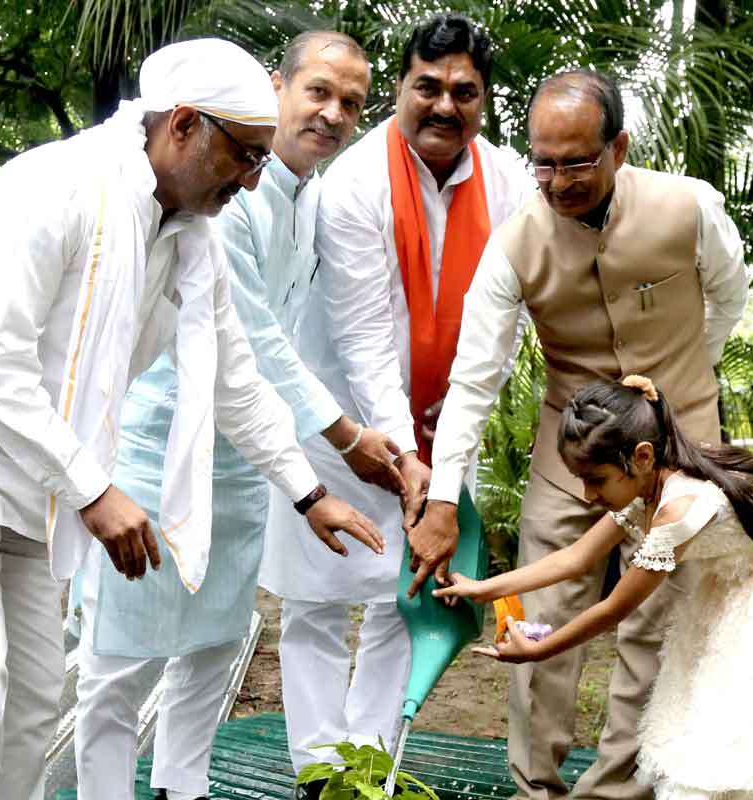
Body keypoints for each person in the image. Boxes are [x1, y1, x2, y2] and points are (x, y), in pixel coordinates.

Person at [0, 38, 383, 800]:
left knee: (29, 706)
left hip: (35, 493)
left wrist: (308, 493)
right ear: (182, 124)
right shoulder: (54, 188)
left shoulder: (191, 235)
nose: (252, 182)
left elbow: (235, 378)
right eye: (244, 157)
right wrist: (93, 488)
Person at [410, 69, 749, 800]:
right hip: (570, 454)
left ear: (618, 147)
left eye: (576, 161)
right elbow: (475, 379)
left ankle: (617, 791)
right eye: (543, 162)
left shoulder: (690, 207)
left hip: (681, 451)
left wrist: (687, 380)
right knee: (539, 622)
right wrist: (442, 500)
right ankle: (536, 787)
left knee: (653, 625)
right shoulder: (512, 246)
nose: (557, 181)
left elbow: (729, 295)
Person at [258, 14, 530, 796]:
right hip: (339, 420)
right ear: (404, 89)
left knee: (400, 595)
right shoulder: (354, 183)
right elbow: (363, 332)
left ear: (483, 100)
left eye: (465, 92)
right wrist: (402, 454)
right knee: (314, 598)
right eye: (428, 87)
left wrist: (443, 448)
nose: (445, 105)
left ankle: (371, 766)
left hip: (443, 421)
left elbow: (498, 323)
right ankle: (318, 769)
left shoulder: (508, 180)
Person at [435, 375, 753, 800]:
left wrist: (538, 651)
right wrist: (484, 588)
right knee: (708, 721)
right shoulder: (646, 485)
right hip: (744, 567)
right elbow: (577, 557)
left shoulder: (678, 509)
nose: (588, 494)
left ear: (643, 456)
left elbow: (613, 608)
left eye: (597, 478)